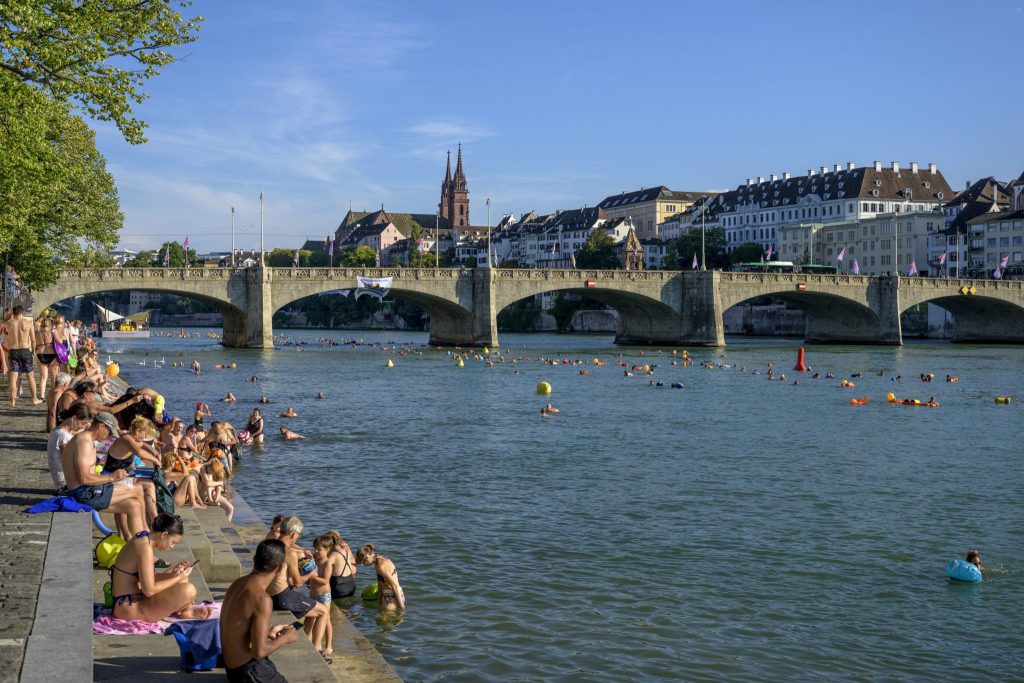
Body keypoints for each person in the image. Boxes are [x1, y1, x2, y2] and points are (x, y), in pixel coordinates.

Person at [220, 540, 299, 683]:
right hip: (247, 672)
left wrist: (268, 632)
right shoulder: (262, 599)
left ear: (254, 559)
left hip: (232, 668)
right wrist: (285, 638)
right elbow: (259, 652)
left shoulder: (238, 584)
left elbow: (238, 629)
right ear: (280, 568)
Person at [109, 513, 212, 622]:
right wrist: (177, 578)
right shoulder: (145, 548)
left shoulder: (143, 538)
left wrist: (174, 574)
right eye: (173, 542)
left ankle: (187, 611)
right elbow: (149, 590)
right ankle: (187, 610)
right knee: (188, 590)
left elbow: (147, 579)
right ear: (164, 535)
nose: (172, 547)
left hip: (134, 600)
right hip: (129, 608)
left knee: (183, 580)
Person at [63, 412, 148, 535]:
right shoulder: (84, 443)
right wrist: (111, 477)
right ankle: (146, 535)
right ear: (101, 426)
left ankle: (130, 542)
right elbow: (84, 479)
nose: (109, 437)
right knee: (138, 489)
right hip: (83, 494)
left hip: (88, 490)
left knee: (133, 505)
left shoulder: (87, 439)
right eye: (109, 433)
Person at [266, 517, 330, 642]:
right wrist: (311, 575)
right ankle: (317, 649)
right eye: (299, 535)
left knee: (311, 607)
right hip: (282, 598)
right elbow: (298, 583)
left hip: (267, 595)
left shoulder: (267, 545)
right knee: (323, 610)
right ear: (294, 534)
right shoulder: (289, 553)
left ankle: (307, 640)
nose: (298, 537)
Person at [105, 416, 163, 528]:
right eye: (145, 434)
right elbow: (139, 452)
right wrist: (155, 460)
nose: (146, 437)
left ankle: (155, 520)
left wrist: (154, 451)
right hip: (112, 478)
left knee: (150, 485)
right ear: (138, 431)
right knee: (140, 491)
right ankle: (144, 526)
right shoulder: (127, 439)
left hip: (123, 477)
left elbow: (142, 444)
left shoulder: (131, 438)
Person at [46, 402, 92, 494]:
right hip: (67, 486)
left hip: (65, 484)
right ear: (74, 418)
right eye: (83, 423)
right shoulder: (63, 437)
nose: (82, 427)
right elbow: (73, 464)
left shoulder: (58, 430)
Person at [6, 305, 41, 406]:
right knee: (30, 375)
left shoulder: (9, 323)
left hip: (13, 351)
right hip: (25, 351)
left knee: (13, 376)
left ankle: (13, 400)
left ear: (14, 313)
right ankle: (34, 399)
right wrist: (33, 351)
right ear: (23, 312)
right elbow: (33, 341)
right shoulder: (28, 323)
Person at [355, 544, 405, 611]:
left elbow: (394, 586)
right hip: (395, 595)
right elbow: (380, 584)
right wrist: (380, 603)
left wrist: (402, 607)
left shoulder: (381, 566)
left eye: (363, 562)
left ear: (367, 557)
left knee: (382, 620)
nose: (364, 565)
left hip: (391, 597)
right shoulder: (379, 560)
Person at [309, 535, 335, 659]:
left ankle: (329, 645)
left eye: (319, 549)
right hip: (313, 594)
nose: (316, 551)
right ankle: (313, 642)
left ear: (327, 550)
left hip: (324, 596)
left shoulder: (327, 563)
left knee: (327, 620)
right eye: (315, 549)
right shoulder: (314, 559)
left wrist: (312, 576)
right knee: (313, 619)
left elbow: (325, 581)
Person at [322, 530, 357, 599]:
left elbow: (322, 566)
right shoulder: (346, 551)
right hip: (351, 586)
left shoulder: (333, 556)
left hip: (339, 590)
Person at [34, 317, 57, 399]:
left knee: (43, 377)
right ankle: (54, 394)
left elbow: (34, 343)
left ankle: (42, 396)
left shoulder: (37, 332)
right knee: (53, 377)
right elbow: (59, 342)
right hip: (51, 354)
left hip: (40, 354)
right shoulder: (52, 332)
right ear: (50, 324)